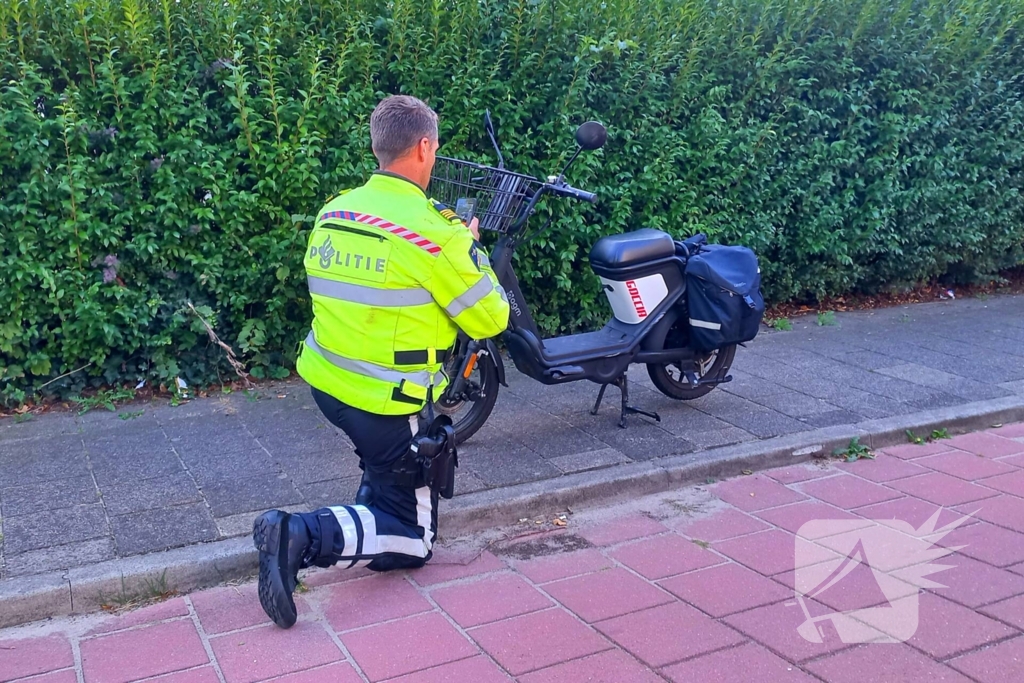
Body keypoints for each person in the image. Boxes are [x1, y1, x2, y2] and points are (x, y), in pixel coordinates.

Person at [252, 95, 510, 629]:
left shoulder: (336, 210)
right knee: (413, 540)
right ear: (423, 147)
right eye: (434, 147)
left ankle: (371, 496)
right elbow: (490, 319)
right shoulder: (438, 234)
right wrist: (474, 248)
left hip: (327, 381)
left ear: (377, 146)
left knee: (387, 471)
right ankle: (300, 534)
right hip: (386, 400)